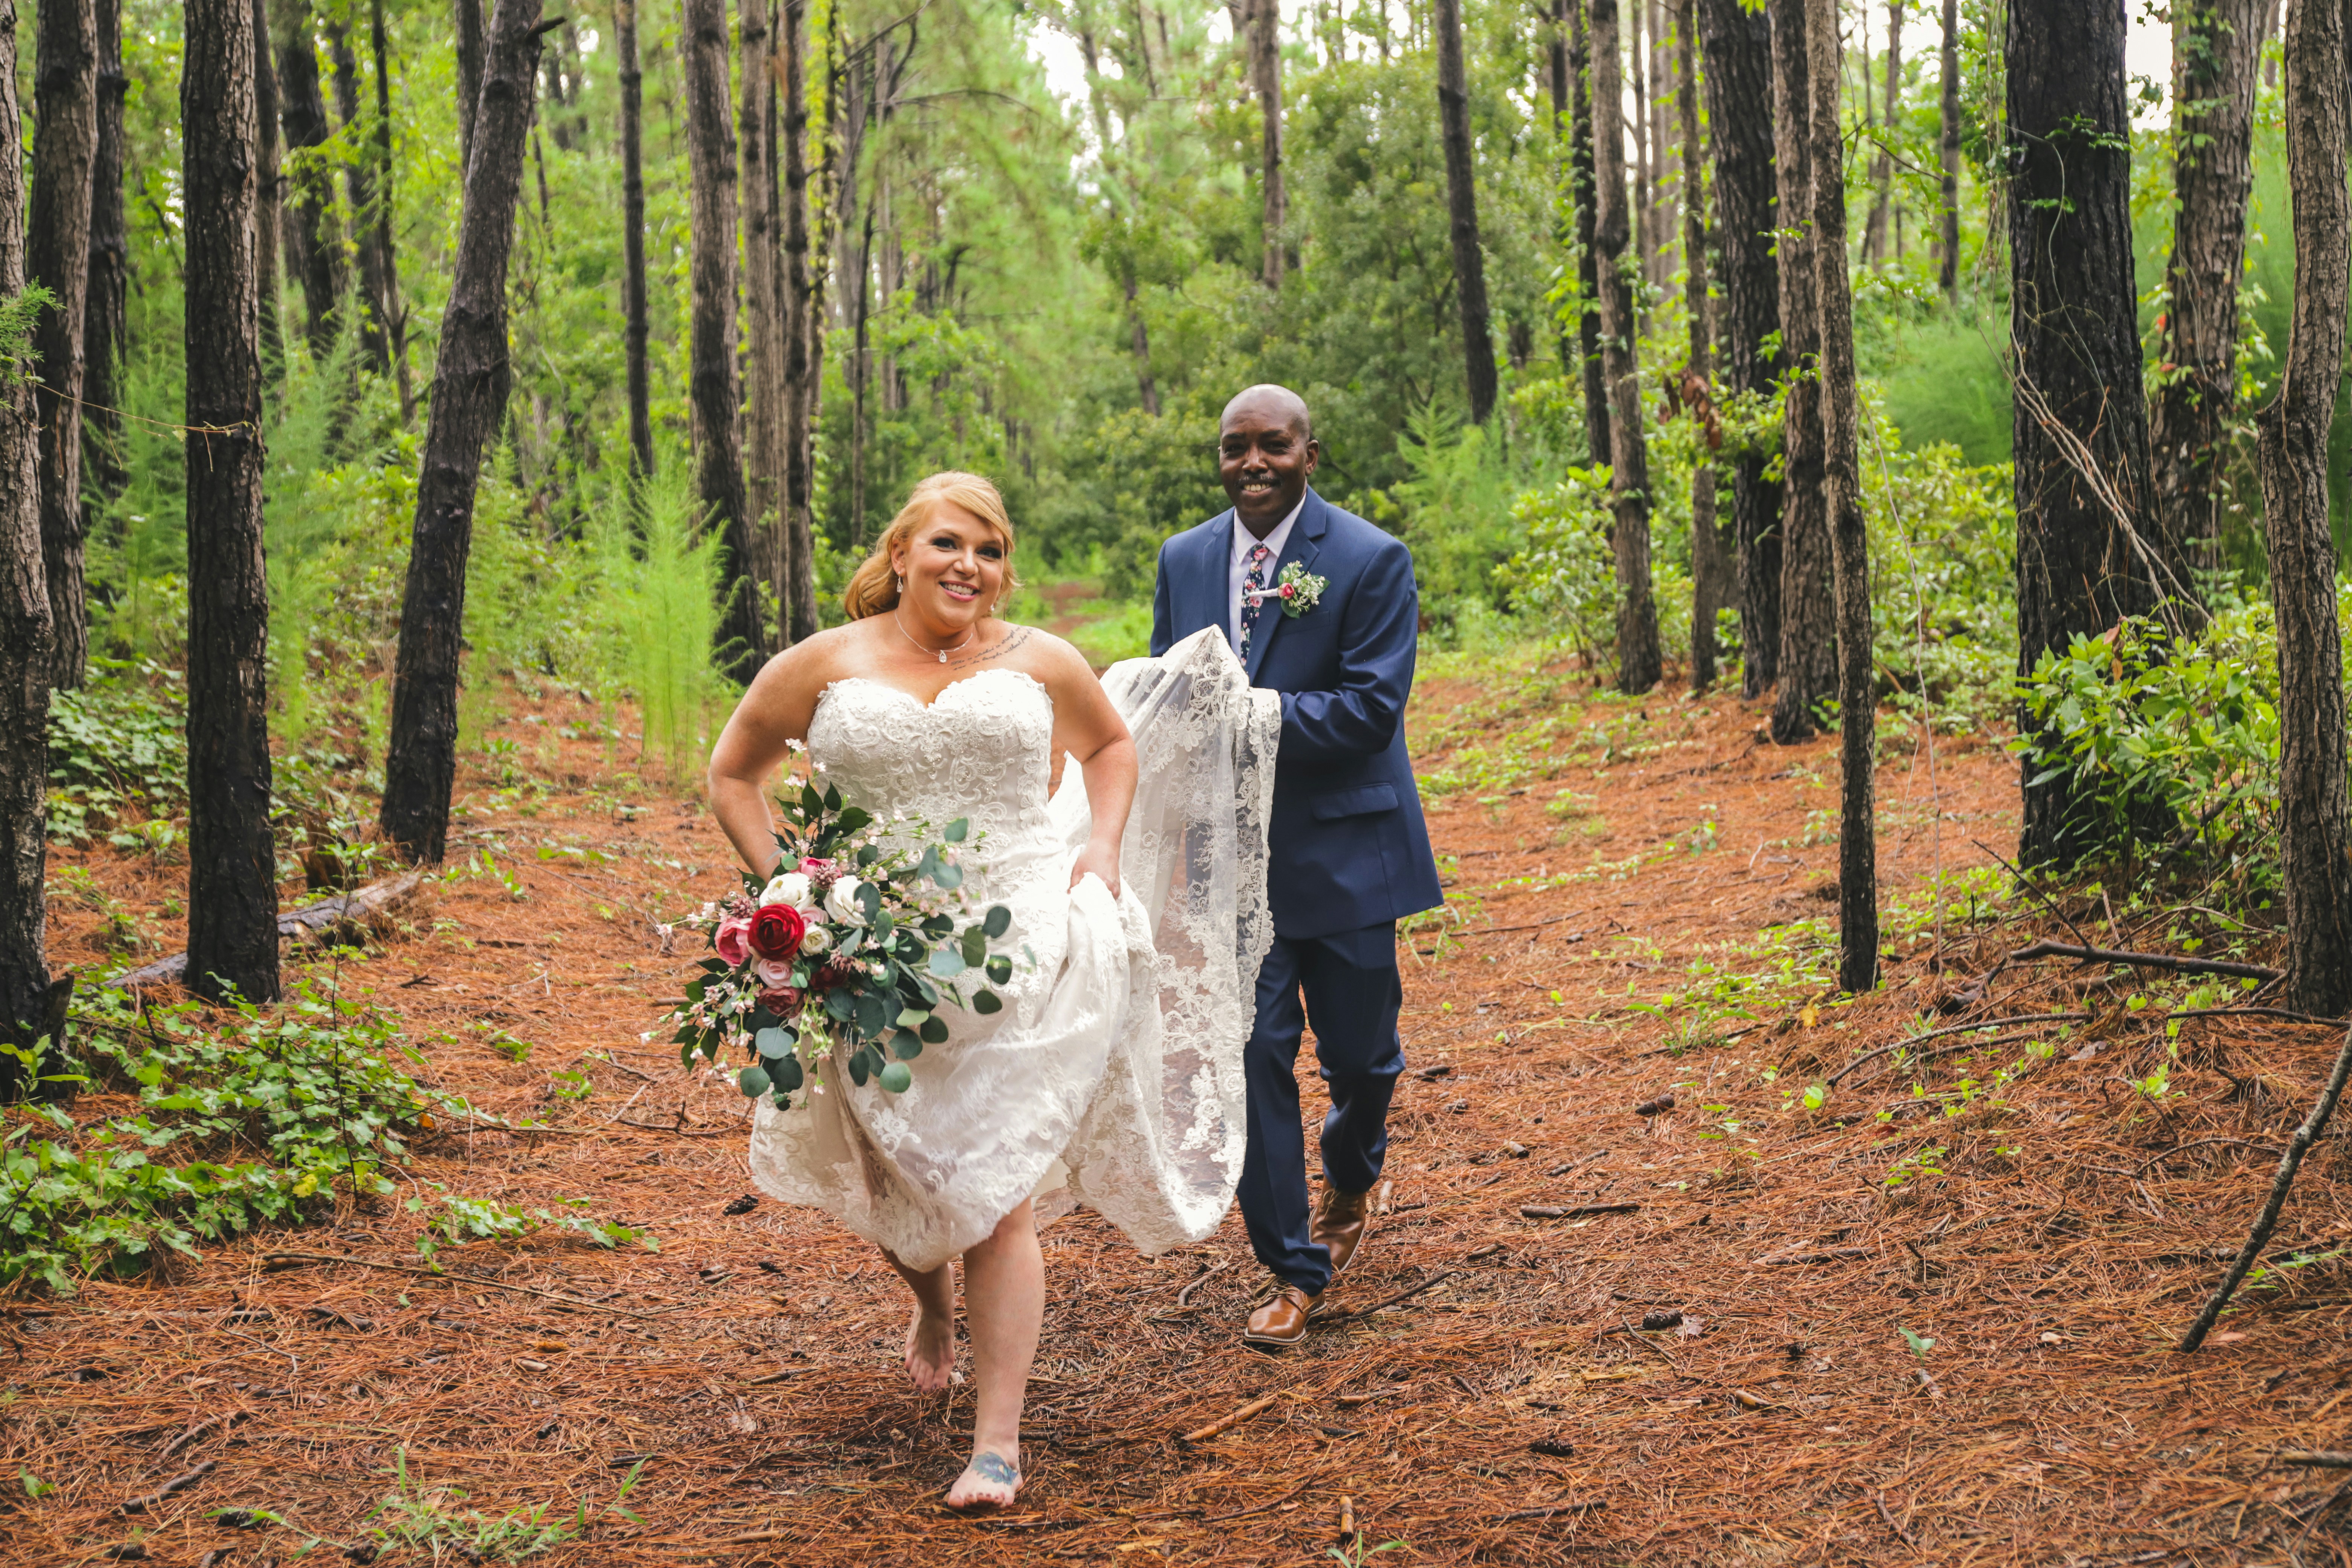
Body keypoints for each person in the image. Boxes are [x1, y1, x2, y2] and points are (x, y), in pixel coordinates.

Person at [706, 471, 1276, 1510]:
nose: (967, 566)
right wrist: (789, 884)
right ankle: (933, 1304)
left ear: (1004, 569)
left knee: (999, 1192)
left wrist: (1100, 848)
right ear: (901, 555)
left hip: (1018, 947)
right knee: (900, 1180)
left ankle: (998, 1446)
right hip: (875, 955)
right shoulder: (824, 664)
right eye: (947, 545)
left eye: (988, 550)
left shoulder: (1040, 661)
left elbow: (1109, 745)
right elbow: (732, 770)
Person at [1148, 386, 1444, 1349]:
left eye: (1273, 445)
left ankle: (1354, 1165)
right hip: (1233, 864)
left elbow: (1369, 712)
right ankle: (1292, 1264)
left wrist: (1249, 715)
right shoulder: (1184, 559)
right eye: (1236, 447)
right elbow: (1169, 691)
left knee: (1363, 1057)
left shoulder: (1369, 558)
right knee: (1249, 1056)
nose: (1253, 463)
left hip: (1349, 849)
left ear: (1311, 453)